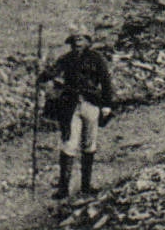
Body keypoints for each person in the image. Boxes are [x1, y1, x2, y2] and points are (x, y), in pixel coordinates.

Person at [37, 28, 114, 199]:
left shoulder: (96, 59)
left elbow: (106, 82)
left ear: (87, 42)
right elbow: (50, 73)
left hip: (92, 104)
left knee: (89, 144)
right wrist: (41, 73)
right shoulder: (66, 59)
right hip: (71, 106)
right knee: (69, 144)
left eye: (81, 40)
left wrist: (107, 105)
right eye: (75, 40)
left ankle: (86, 186)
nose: (78, 43)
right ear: (71, 43)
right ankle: (63, 188)